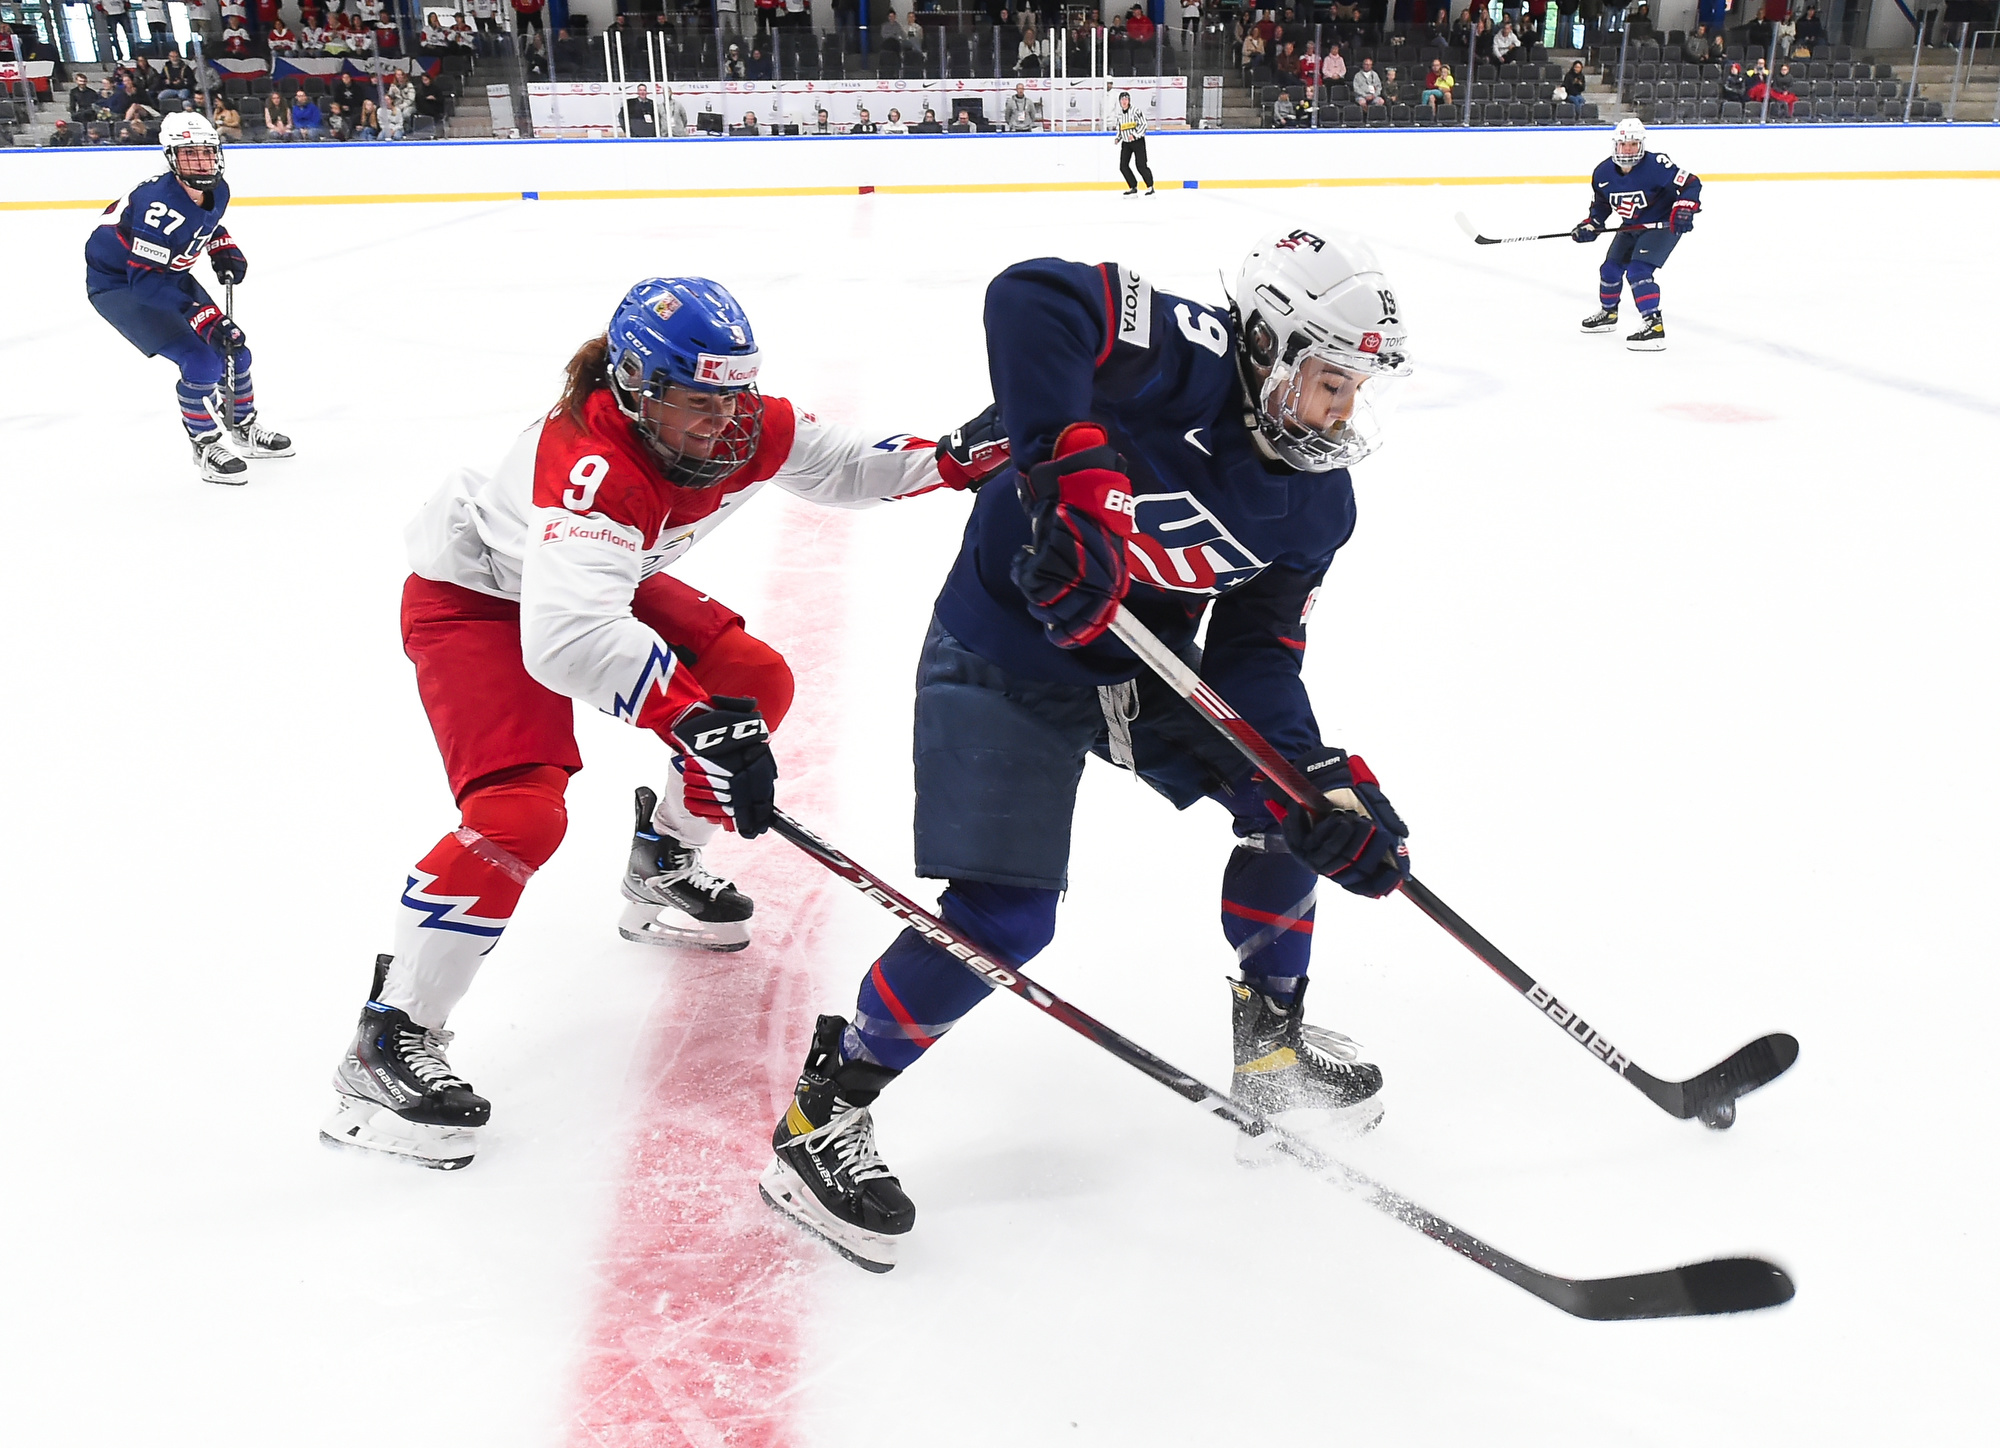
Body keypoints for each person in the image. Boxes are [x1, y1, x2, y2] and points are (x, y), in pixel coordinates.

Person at [759, 228, 1416, 1272]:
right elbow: (1031, 296)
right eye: (1329, 382)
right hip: (1001, 653)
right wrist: (1071, 476)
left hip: (1142, 671)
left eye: (1354, 389)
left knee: (1289, 809)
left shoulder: (1317, 504)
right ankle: (820, 1117)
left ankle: (1270, 1053)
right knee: (1005, 920)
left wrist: (1315, 779)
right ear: (1270, 348)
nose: (1342, 412)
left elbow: (1255, 658)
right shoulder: (1189, 357)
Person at [320, 278, 1006, 1169]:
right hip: (477, 603)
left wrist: (949, 459)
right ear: (636, 384)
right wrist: (691, 718)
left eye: (735, 397)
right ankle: (388, 1037)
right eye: (698, 401)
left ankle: (664, 860)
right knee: (518, 816)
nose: (724, 423)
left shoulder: (737, 421)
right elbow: (568, 641)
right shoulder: (592, 466)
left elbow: (841, 465)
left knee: (753, 682)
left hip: (590, 583)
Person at [83, 114, 292, 485]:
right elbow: (144, 283)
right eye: (189, 154)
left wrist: (219, 244)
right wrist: (196, 312)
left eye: (206, 153)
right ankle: (204, 445)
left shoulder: (219, 190)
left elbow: (201, 221)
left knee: (234, 349)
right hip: (121, 286)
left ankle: (242, 425)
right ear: (171, 158)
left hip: (166, 275)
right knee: (201, 362)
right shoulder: (158, 206)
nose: (201, 162)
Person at [1574, 118, 1701, 351]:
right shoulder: (1602, 172)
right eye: (1624, 144)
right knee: (1610, 269)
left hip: (1661, 226)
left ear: (1641, 144)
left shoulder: (1657, 165)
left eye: (1633, 144)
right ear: (1616, 145)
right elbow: (1601, 204)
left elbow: (1691, 183)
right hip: (1631, 226)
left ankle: (1654, 326)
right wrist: (1591, 224)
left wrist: (1684, 207)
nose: (1628, 149)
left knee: (1638, 271)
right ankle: (1608, 314)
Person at [1113, 90, 1152, 196]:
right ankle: (1133, 186)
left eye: (1126, 99)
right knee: (1123, 166)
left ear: (1129, 100)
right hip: (1126, 143)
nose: (1124, 101)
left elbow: (1143, 124)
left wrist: (1135, 135)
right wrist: (1118, 138)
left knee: (1141, 165)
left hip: (1137, 141)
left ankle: (1150, 186)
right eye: (1122, 99)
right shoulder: (1120, 114)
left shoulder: (1136, 111)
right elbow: (1120, 128)